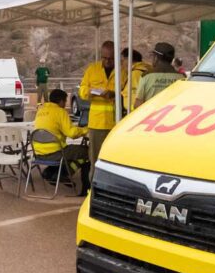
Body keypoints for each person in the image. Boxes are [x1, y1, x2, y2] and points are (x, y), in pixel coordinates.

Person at [32, 89, 90, 192]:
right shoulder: (60, 112)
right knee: (87, 152)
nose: (65, 104)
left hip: (38, 153)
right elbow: (71, 133)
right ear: (61, 101)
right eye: (65, 101)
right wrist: (86, 129)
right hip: (56, 152)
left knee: (73, 151)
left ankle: (50, 172)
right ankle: (80, 185)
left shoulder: (40, 110)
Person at [78, 40, 117, 188]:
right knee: (95, 160)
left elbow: (126, 94)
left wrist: (113, 94)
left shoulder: (122, 71)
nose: (107, 61)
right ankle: (93, 191)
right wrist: (90, 92)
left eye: (111, 58)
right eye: (104, 58)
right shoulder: (92, 70)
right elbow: (82, 90)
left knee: (114, 160)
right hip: (97, 123)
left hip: (116, 123)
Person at [135, 42, 186, 108]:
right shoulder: (181, 77)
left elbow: (138, 104)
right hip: (173, 116)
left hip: (152, 117)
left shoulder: (146, 76)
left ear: (156, 58)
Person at [120, 48, 151, 113]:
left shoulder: (135, 73)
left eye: (122, 61)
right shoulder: (145, 70)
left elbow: (135, 96)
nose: (121, 64)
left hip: (134, 112)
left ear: (128, 60)